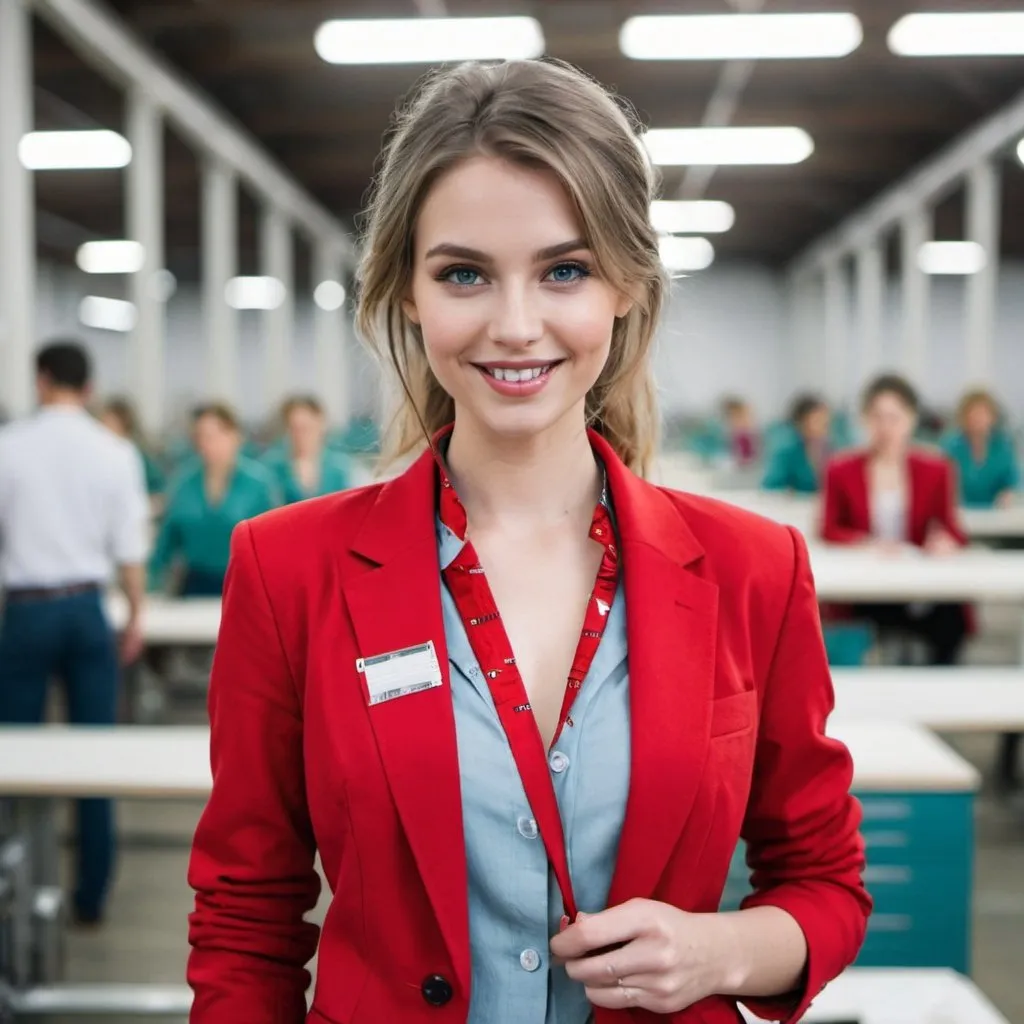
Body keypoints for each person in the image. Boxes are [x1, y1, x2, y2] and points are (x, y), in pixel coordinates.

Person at [187, 59, 869, 1024]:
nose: (515, 326)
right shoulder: (288, 570)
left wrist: (720, 948)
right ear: (407, 294)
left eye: (565, 270)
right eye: (464, 273)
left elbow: (823, 880)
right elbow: (246, 917)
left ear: (626, 285)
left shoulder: (754, 569)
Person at [0, 340, 149, 925]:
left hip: (27, 611)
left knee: (12, 758)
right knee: (96, 753)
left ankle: (14, 890)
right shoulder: (115, 451)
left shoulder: (9, 448)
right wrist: (135, 615)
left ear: (41, 381)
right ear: (88, 389)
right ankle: (90, 895)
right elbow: (130, 550)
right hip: (88, 608)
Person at [821, 373, 969, 665]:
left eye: (894, 418)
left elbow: (953, 530)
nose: (885, 427)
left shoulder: (936, 470)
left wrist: (944, 541)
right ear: (864, 421)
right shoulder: (841, 469)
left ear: (911, 420)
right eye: (876, 417)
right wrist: (867, 543)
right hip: (863, 584)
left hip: (917, 585)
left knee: (951, 618)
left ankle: (938, 690)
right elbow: (829, 528)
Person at [149, 403, 278, 597]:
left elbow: (273, 545)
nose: (207, 444)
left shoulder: (259, 484)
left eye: (215, 436)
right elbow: (165, 544)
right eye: (201, 437)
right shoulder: (183, 482)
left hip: (246, 585)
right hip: (195, 585)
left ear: (235, 436)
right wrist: (152, 587)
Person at [263, 395, 353, 504]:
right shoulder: (272, 468)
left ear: (321, 424)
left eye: (306, 428)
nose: (300, 436)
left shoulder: (340, 467)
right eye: (295, 429)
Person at [941, 388, 1019, 509]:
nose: (978, 419)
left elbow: (1013, 479)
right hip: (961, 511)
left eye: (983, 414)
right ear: (964, 417)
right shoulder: (952, 446)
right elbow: (942, 481)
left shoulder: (1003, 445)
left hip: (997, 512)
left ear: (993, 417)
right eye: (974, 414)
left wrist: (1008, 494)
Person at [98, 395, 168, 513]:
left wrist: (140, 507)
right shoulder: (96, 457)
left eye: (111, 424)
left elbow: (160, 495)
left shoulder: (137, 458)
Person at [762, 394, 831, 494]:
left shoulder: (830, 451)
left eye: (825, 421)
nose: (823, 425)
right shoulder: (786, 453)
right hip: (793, 507)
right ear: (802, 422)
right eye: (817, 420)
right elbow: (769, 488)